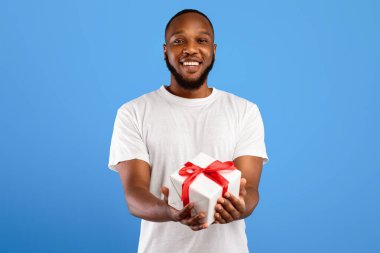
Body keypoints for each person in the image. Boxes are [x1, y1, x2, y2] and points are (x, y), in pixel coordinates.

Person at [108, 9, 269, 253]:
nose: (190, 49)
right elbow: (135, 195)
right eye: (179, 41)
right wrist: (170, 212)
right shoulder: (133, 112)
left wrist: (240, 206)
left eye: (201, 40)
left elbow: (251, 189)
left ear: (214, 50)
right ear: (165, 51)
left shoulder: (244, 111)